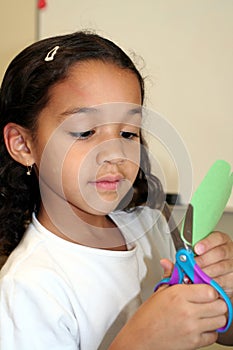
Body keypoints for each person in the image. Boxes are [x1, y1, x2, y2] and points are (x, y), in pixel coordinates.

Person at [0, 31, 232, 350]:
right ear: (23, 144)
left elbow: (221, 331)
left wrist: (223, 292)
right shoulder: (28, 289)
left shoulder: (151, 230)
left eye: (127, 132)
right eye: (84, 132)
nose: (115, 153)